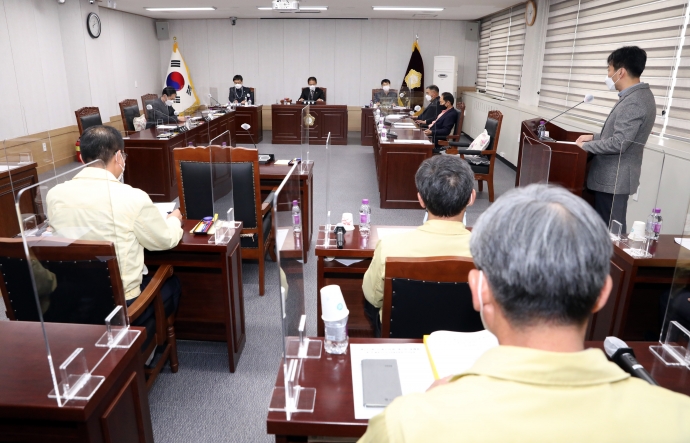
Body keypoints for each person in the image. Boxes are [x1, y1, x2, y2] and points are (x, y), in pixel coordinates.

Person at [358, 184, 690, 443]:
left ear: (480, 289)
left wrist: (429, 406)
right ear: (602, 293)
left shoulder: (409, 423)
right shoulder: (678, 420)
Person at [46, 126, 184, 325]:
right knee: (173, 283)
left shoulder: (55, 194)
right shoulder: (132, 197)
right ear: (119, 156)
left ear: (82, 159)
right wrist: (174, 219)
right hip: (123, 306)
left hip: (76, 302)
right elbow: (165, 240)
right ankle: (153, 342)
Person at [362, 155, 475, 337]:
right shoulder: (492, 255)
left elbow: (372, 297)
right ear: (471, 197)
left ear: (421, 199)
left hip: (403, 342)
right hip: (466, 344)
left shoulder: (390, 247)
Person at [575, 46, 656, 233]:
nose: (608, 75)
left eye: (609, 69)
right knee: (606, 230)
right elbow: (622, 134)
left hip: (613, 180)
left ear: (621, 72)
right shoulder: (637, 95)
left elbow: (620, 143)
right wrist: (594, 137)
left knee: (611, 234)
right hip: (612, 178)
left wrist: (586, 146)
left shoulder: (634, 101)